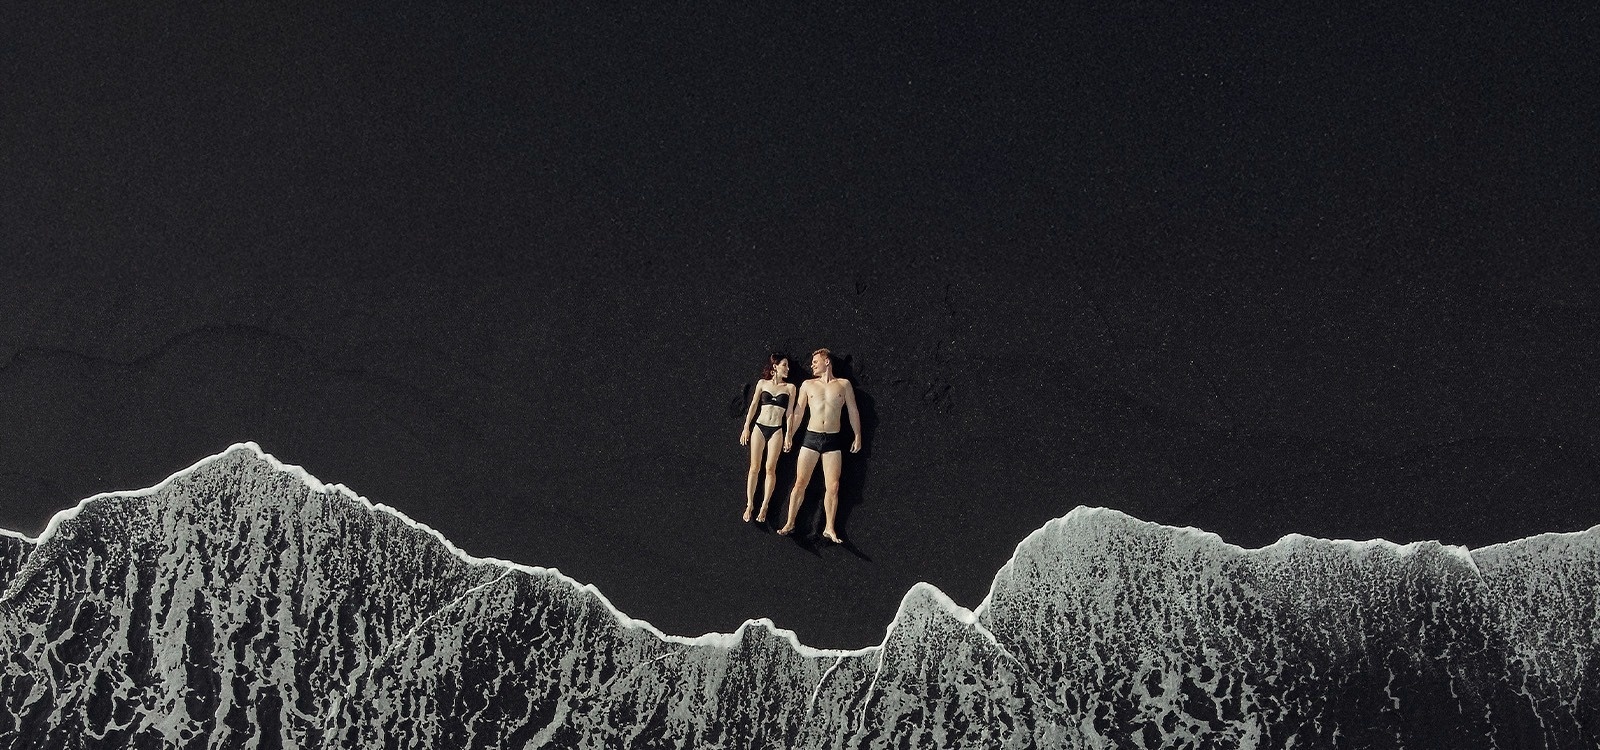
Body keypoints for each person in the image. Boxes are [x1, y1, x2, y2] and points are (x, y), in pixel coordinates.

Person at [779, 348, 861, 542]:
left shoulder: (843, 384)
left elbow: (853, 411)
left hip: (833, 440)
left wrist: (857, 435)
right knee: (800, 482)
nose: (812, 365)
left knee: (833, 486)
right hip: (811, 438)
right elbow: (798, 412)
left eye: (816, 361)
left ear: (827, 361)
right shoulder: (807, 385)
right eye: (812, 362)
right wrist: (789, 434)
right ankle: (790, 522)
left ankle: (830, 527)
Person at [739, 353, 796, 523]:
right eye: (784, 365)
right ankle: (750, 504)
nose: (787, 369)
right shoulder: (762, 383)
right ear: (775, 367)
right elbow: (754, 405)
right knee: (754, 467)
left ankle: (764, 506)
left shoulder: (790, 388)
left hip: (776, 429)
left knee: (770, 468)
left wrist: (788, 435)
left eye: (787, 366)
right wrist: (746, 427)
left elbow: (790, 413)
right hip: (759, 427)